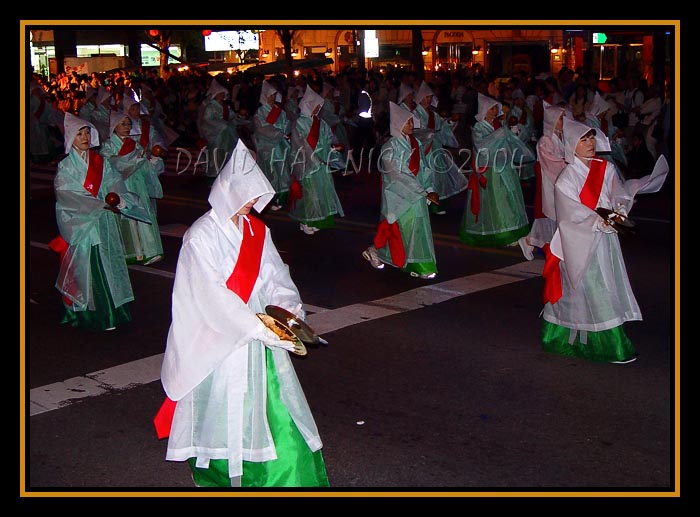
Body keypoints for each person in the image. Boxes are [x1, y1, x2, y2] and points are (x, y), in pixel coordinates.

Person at [154, 140, 330, 488]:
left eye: (256, 195)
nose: (252, 203)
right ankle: (221, 471)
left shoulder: (256, 230)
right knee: (223, 404)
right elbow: (210, 296)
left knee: (271, 406)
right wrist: (258, 328)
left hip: (258, 331)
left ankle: (277, 476)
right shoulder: (200, 236)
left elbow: (275, 274)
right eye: (247, 194)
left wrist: (288, 309)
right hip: (221, 336)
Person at [540, 118, 669, 364]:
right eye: (583, 139)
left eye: (591, 138)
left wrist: (619, 209)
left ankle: (576, 340)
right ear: (571, 145)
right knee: (591, 291)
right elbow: (570, 215)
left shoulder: (605, 167)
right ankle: (612, 347)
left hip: (605, 241)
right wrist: (598, 222)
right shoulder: (566, 179)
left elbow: (618, 192)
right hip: (579, 242)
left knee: (603, 287)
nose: (589, 143)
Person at [51, 113, 143, 331]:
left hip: (103, 220)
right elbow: (66, 194)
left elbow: (115, 182)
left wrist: (116, 198)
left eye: (86, 133)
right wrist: (96, 204)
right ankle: (94, 315)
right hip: (84, 223)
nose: (84, 137)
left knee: (109, 263)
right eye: (79, 133)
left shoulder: (100, 161)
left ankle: (115, 310)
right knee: (89, 267)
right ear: (71, 138)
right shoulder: (66, 167)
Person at [362, 101, 439, 279]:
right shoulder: (390, 148)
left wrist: (429, 187)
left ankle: (417, 263)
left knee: (415, 229)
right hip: (399, 195)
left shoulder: (415, 143)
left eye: (412, 122)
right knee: (404, 229)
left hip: (417, 193)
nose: (412, 125)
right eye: (408, 122)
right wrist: (422, 190)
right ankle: (409, 262)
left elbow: (424, 168)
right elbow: (397, 174)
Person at [458, 93, 535, 247]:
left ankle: (513, 230)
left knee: (509, 199)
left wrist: (512, 134)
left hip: (504, 168)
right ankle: (503, 233)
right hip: (490, 171)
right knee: (497, 203)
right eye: (492, 109)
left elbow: (508, 142)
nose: (494, 111)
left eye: (495, 109)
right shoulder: (479, 128)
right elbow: (483, 147)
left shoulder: (498, 126)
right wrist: (502, 133)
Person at [100, 110, 164, 265]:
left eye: (128, 124)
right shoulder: (108, 146)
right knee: (126, 216)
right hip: (121, 185)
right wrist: (133, 161)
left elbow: (143, 165)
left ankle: (149, 250)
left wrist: (153, 161)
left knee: (142, 212)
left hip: (137, 183)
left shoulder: (134, 144)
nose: (127, 127)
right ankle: (131, 252)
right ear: (114, 126)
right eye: (123, 124)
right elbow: (111, 165)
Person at [288, 85, 345, 235]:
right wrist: (315, 159)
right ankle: (306, 220)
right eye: (316, 105)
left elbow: (328, 137)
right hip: (308, 163)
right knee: (309, 193)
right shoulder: (300, 123)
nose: (318, 108)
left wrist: (333, 147)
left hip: (321, 161)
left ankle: (319, 218)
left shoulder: (320, 122)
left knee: (322, 191)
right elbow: (301, 145)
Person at [517, 102, 568, 260]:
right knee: (551, 214)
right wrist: (569, 165)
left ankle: (532, 241)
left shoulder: (562, 139)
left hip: (561, 181)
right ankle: (533, 241)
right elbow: (552, 164)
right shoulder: (545, 141)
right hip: (550, 182)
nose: (563, 121)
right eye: (560, 119)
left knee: (555, 216)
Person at [413, 80, 468, 216]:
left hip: (435, 148)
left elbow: (442, 127)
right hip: (422, 150)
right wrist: (427, 135)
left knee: (439, 178)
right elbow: (414, 133)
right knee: (426, 177)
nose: (428, 100)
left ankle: (438, 205)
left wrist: (450, 122)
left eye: (430, 97)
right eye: (426, 97)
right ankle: (424, 204)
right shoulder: (415, 114)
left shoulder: (433, 114)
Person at [252, 79, 292, 211]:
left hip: (281, 146)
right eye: (270, 95)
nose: (272, 98)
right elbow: (262, 129)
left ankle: (283, 198)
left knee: (283, 172)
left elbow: (287, 123)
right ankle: (273, 199)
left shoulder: (280, 111)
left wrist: (284, 131)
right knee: (272, 173)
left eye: (274, 95)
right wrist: (278, 133)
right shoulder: (260, 112)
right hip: (267, 147)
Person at [197, 79, 240, 183]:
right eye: (220, 93)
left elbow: (231, 116)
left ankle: (226, 176)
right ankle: (214, 177)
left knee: (227, 154)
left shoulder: (225, 106)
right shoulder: (211, 106)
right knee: (217, 155)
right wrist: (221, 125)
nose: (222, 95)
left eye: (223, 93)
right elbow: (207, 120)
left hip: (228, 135)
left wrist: (239, 117)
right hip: (217, 135)